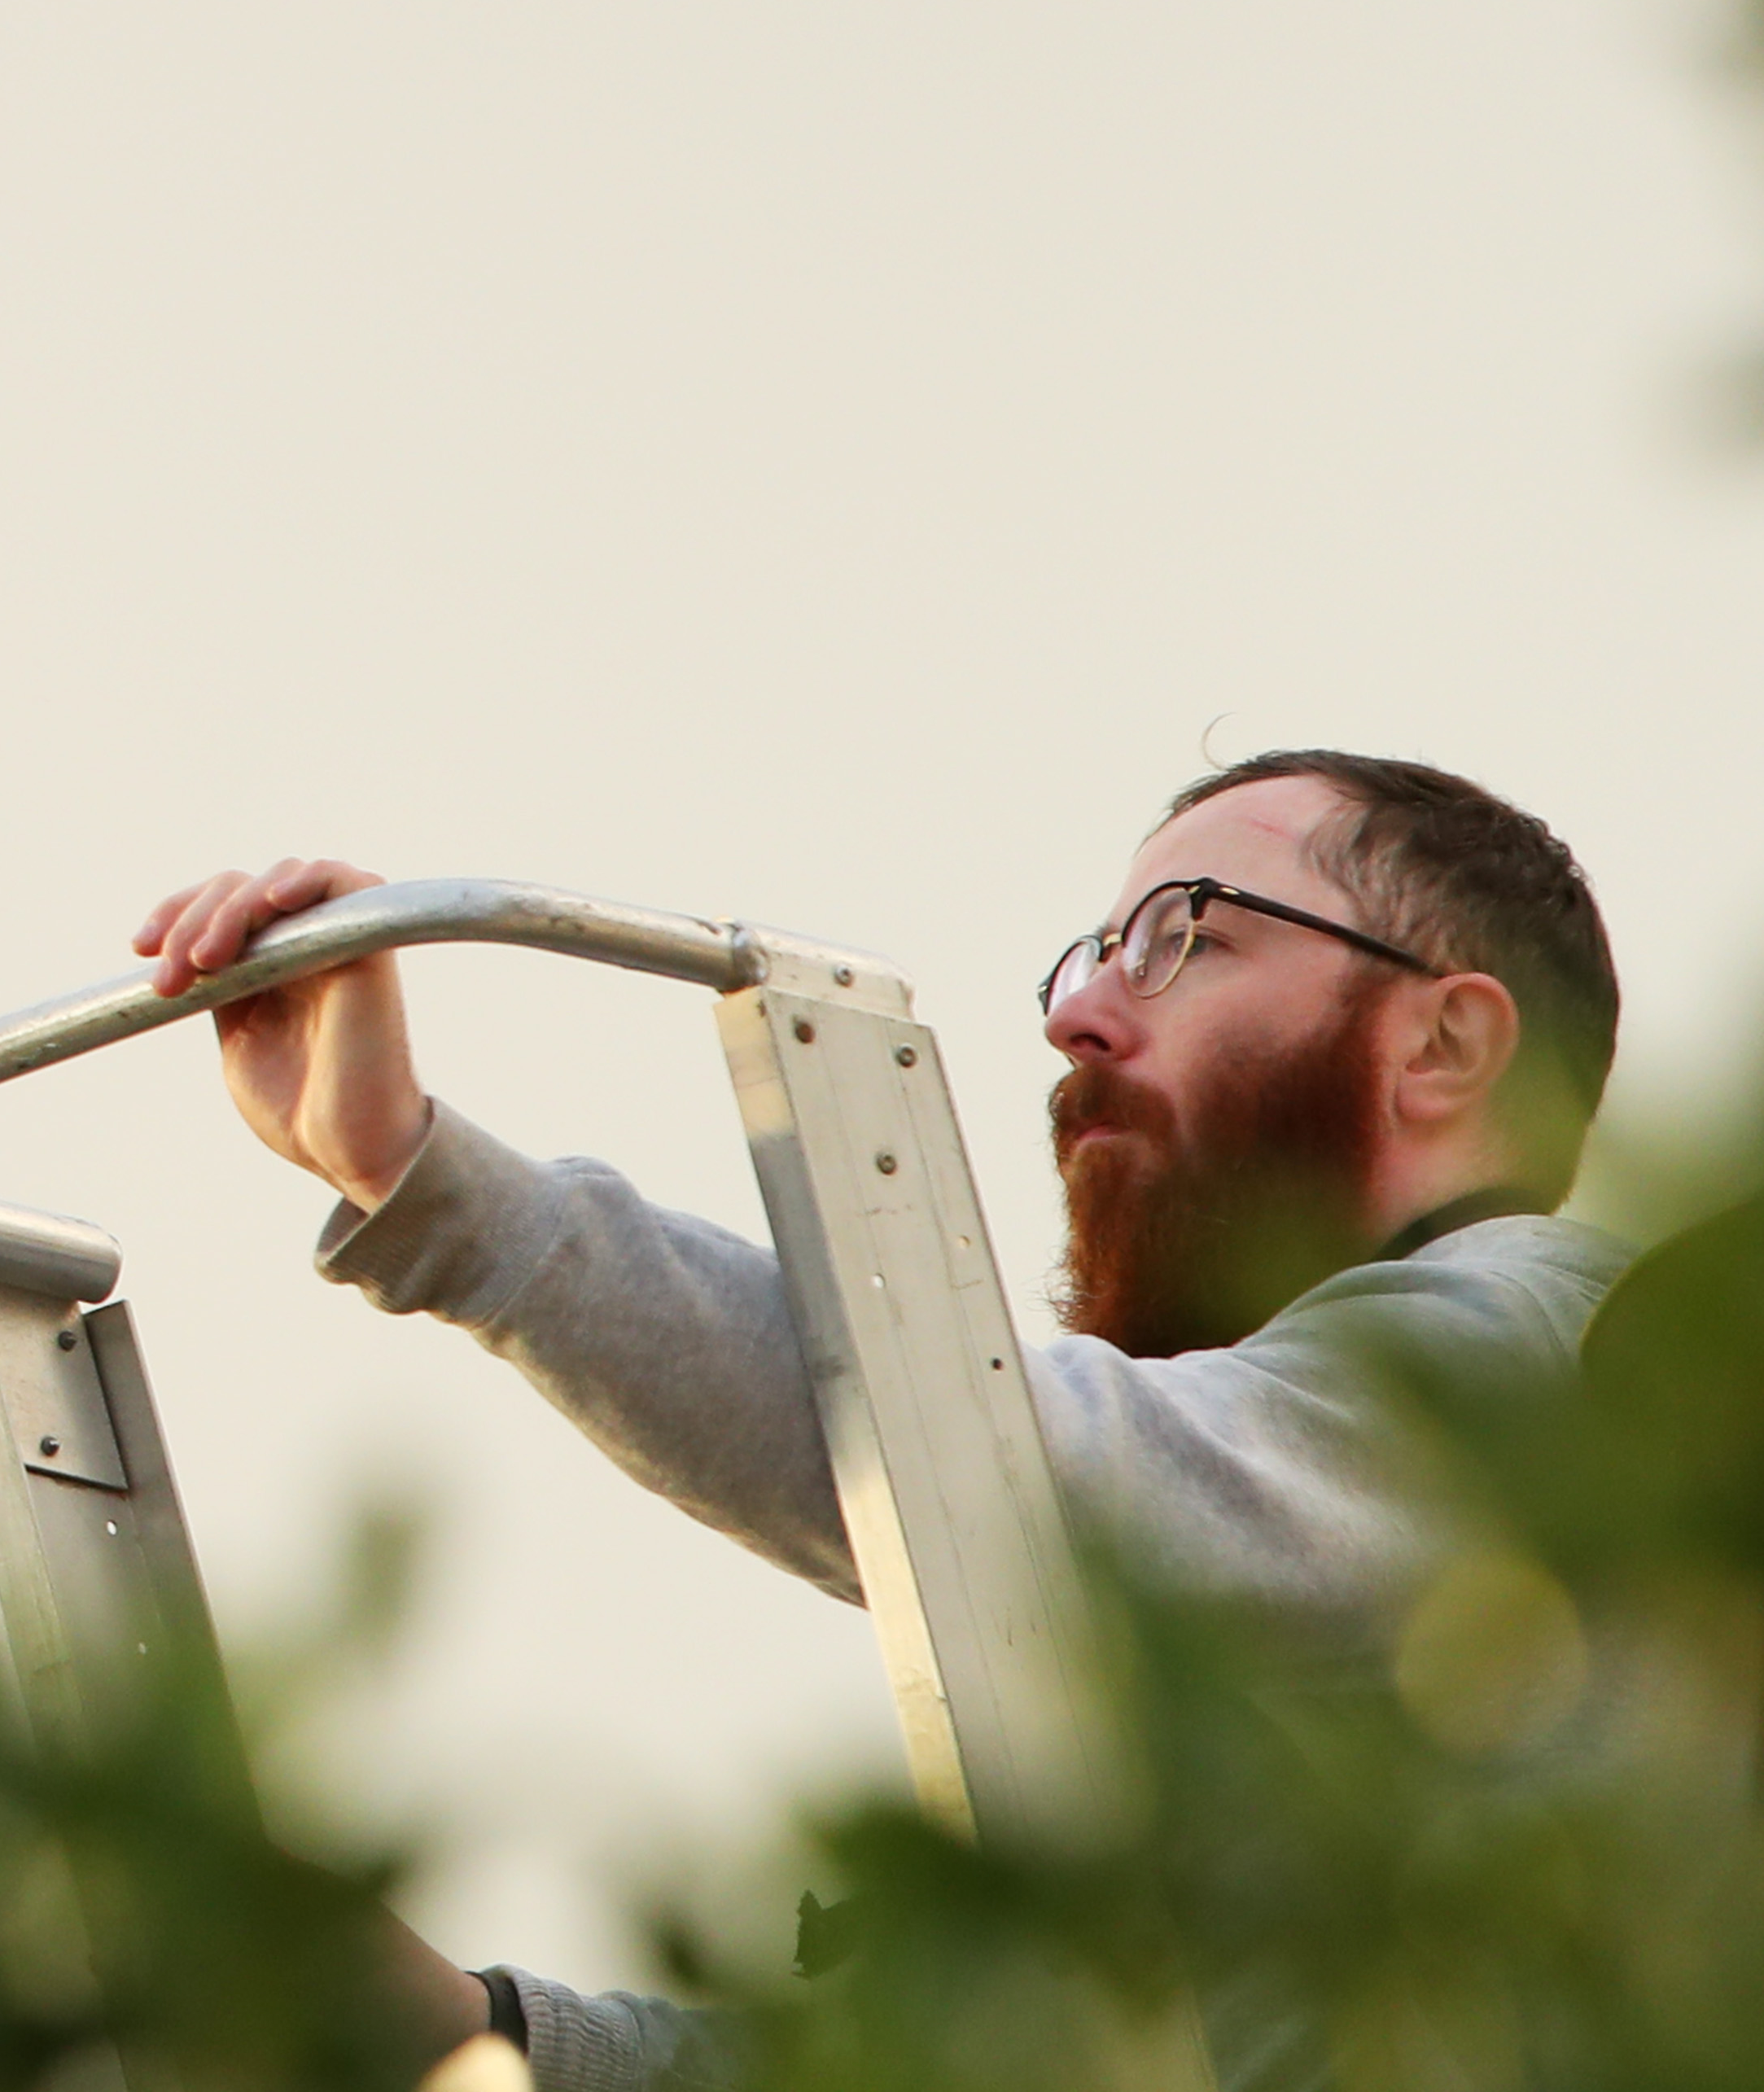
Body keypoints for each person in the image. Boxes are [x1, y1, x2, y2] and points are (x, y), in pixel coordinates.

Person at [129, 751, 1631, 2090]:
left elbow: (996, 1475)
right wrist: (470, 2035)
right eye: (1094, 955)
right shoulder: (1282, 1660)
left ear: (1444, 1044)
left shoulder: (1552, 1349)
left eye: (1189, 937)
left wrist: (424, 1180)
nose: (1078, 1016)